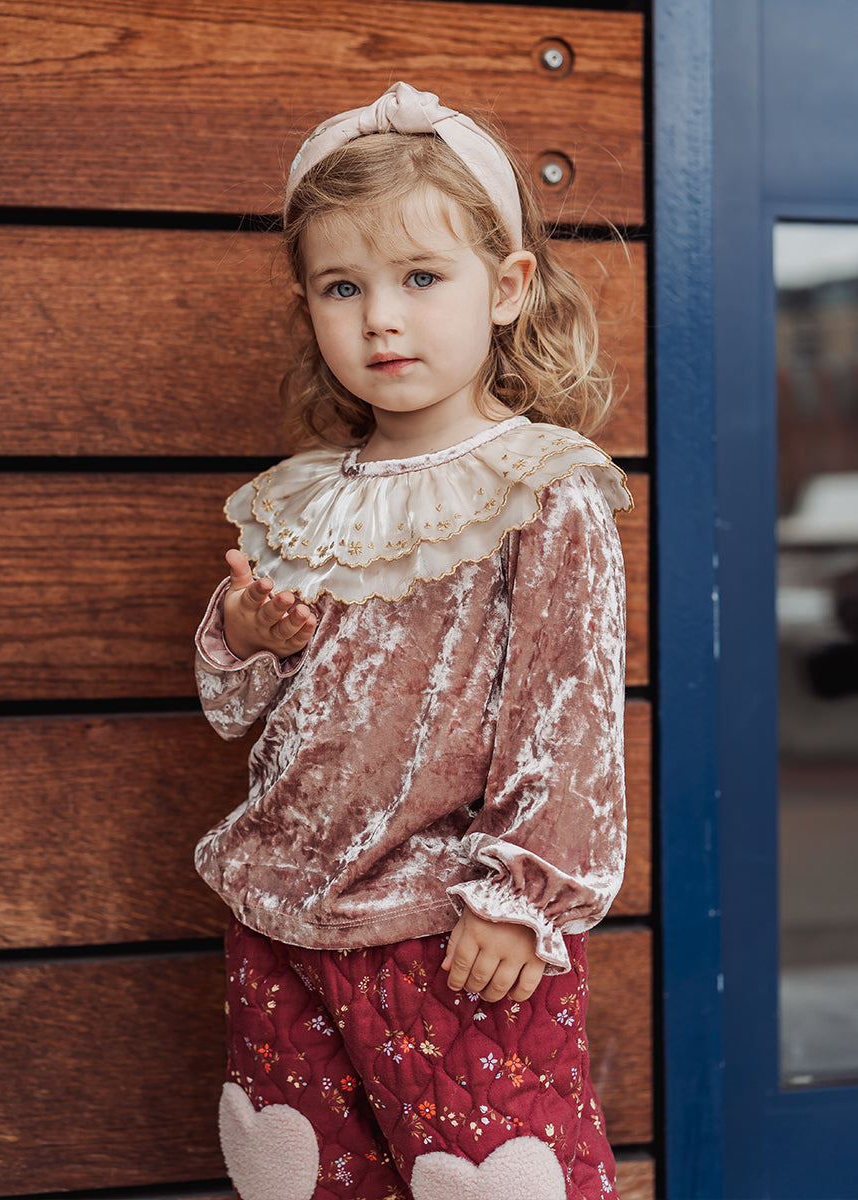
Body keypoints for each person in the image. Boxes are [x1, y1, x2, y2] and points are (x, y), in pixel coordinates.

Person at [194, 81, 632, 1200]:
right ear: (309, 305)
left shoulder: (544, 487)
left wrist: (520, 896)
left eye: (421, 278)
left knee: (485, 1178)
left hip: (455, 928)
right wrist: (250, 636)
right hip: (281, 914)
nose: (381, 318)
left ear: (507, 288)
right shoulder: (302, 498)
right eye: (343, 287)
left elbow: (569, 710)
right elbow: (238, 712)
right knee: (300, 1176)